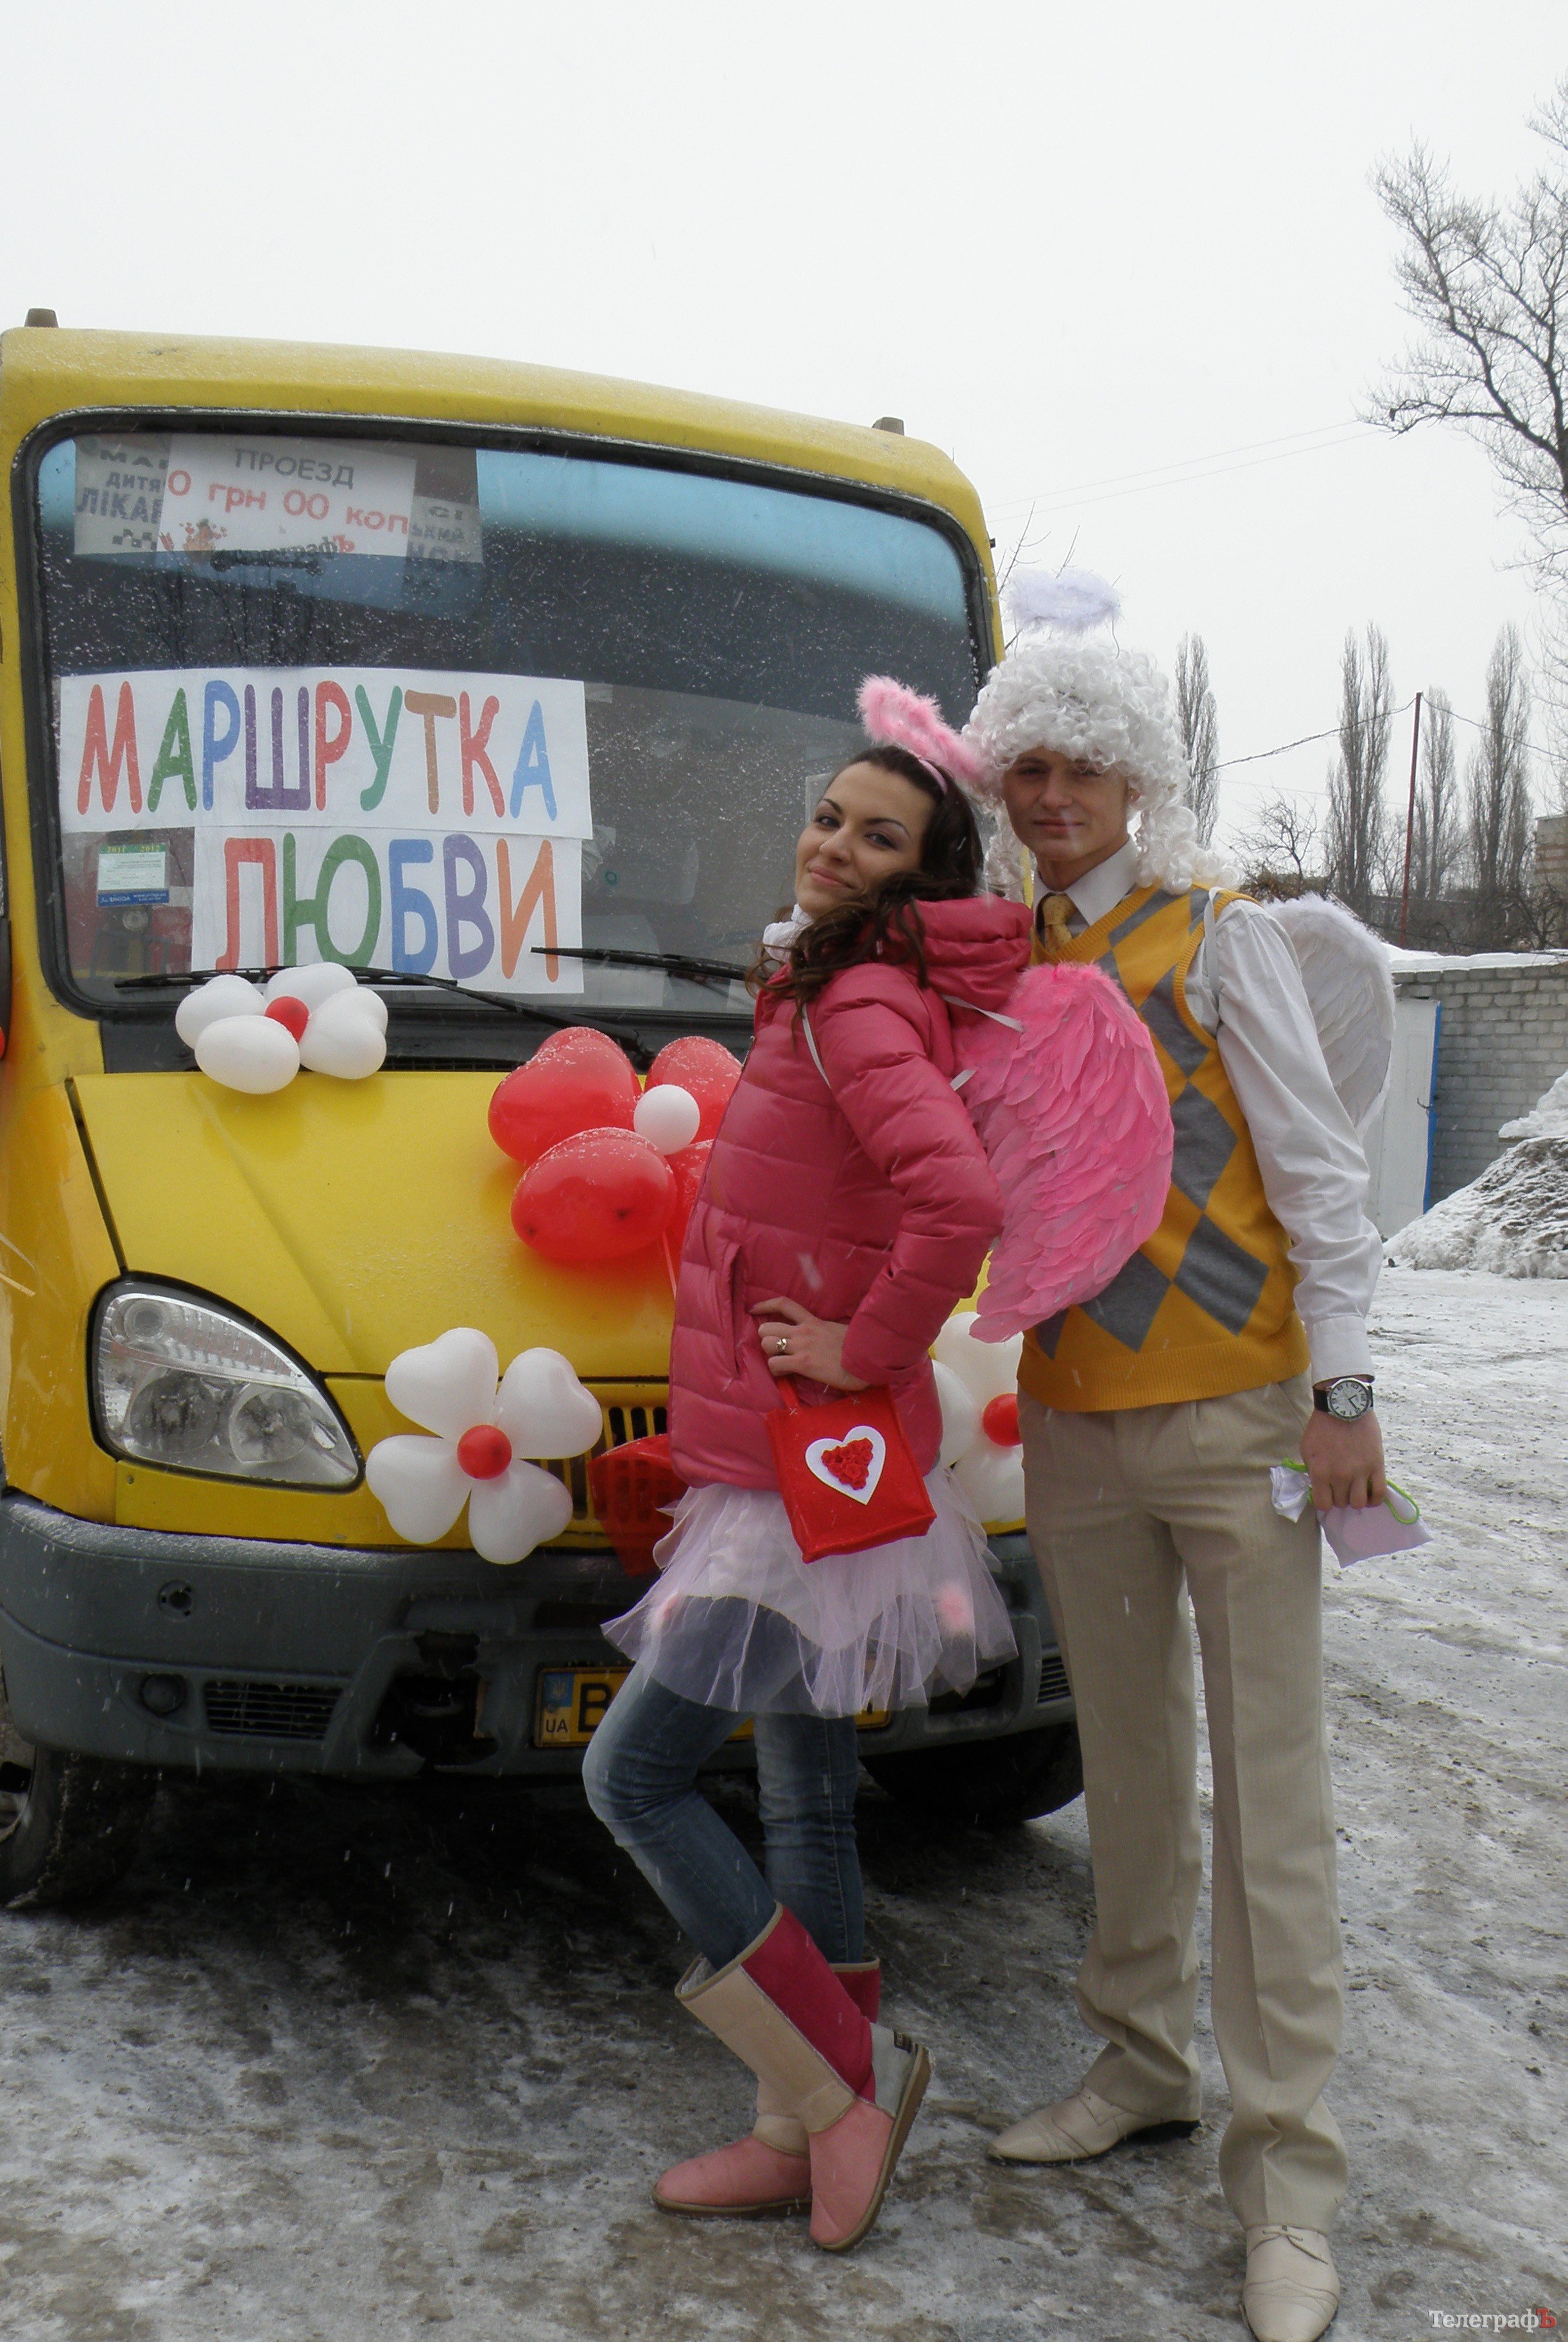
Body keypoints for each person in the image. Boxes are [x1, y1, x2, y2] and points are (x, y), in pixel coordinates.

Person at [964, 616, 1386, 2342]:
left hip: (1246, 1426)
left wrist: (1346, 1392)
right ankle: (1139, 2065)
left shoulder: (1222, 938)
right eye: (1030, 768)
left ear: (1139, 771)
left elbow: (1324, 1173)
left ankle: (1289, 2181)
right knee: (1131, 1777)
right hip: (1071, 1421)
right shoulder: (996, 958)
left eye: (1083, 764)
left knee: (1267, 1805)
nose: (1056, 795)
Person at [583, 679, 1030, 2253]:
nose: (836, 846)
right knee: (808, 1798)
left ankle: (838, 2091)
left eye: (879, 835)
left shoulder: (851, 1005)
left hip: (797, 1468)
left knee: (629, 1776)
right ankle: (798, 2127)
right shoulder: (828, 984)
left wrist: (865, 1346)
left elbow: (957, 1204)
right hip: (794, 1468)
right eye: (829, 817)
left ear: (927, 871)